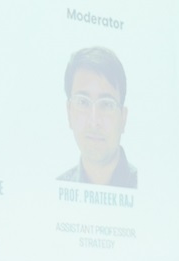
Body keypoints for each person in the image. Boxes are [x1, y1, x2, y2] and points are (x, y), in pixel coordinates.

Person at [57, 46, 136, 187]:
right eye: (82, 102)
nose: (94, 122)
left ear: (123, 118)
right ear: (69, 113)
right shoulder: (58, 186)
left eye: (106, 104)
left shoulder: (147, 186)